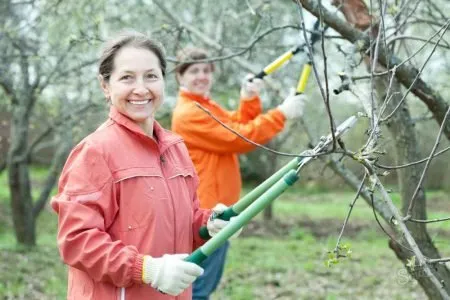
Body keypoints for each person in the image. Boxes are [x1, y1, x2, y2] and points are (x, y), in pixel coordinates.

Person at [51, 31, 235, 300]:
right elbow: (76, 241)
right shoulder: (95, 152)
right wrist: (147, 270)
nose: (141, 88)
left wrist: (209, 224)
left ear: (163, 81)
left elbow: (183, 222)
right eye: (127, 77)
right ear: (105, 85)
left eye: (151, 76)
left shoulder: (175, 148)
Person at [171, 47, 306, 300]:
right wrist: (282, 114)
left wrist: (249, 98)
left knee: (201, 286)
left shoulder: (204, 106)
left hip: (218, 210)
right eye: (194, 71)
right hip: (207, 212)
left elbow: (237, 124)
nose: (202, 76)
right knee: (198, 289)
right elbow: (239, 137)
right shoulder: (189, 113)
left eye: (206, 70)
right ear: (180, 77)